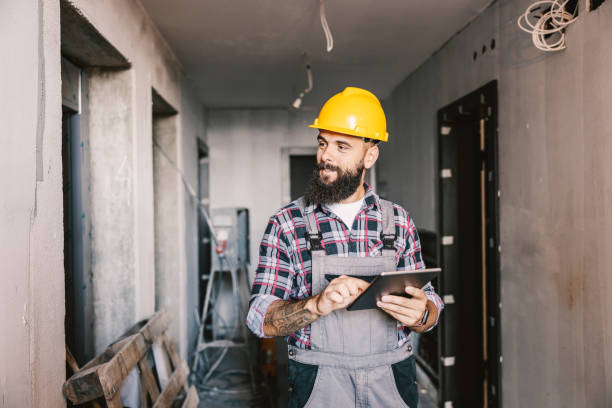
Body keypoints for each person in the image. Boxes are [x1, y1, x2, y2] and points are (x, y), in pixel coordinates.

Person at [246, 87, 444, 407]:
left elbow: (431, 303)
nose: (326, 156)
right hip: (319, 383)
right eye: (323, 143)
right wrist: (316, 305)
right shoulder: (287, 224)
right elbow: (260, 318)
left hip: (391, 378)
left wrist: (422, 313)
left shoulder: (399, 221)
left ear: (370, 155)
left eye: (342, 146)